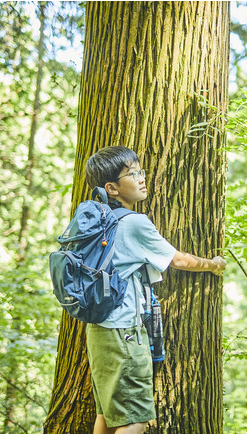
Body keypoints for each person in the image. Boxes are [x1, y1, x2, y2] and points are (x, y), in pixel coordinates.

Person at [84, 146, 226, 434]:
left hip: (98, 331)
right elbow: (178, 260)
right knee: (135, 420)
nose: (141, 178)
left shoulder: (95, 220)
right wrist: (213, 264)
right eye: (132, 174)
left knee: (108, 415)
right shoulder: (134, 223)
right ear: (112, 188)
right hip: (124, 333)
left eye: (140, 170)